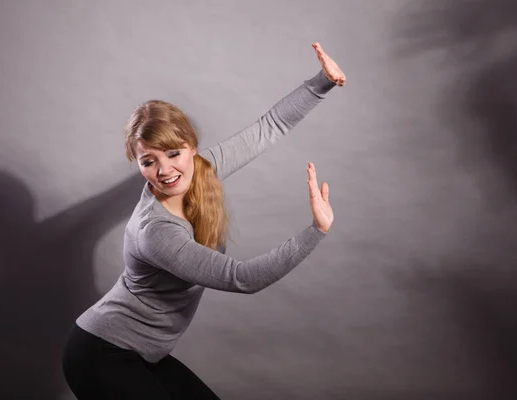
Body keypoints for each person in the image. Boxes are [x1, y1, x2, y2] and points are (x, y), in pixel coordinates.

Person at [62, 42, 346, 399]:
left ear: (192, 148)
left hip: (142, 354)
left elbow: (268, 127)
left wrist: (323, 81)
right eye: (148, 161)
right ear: (137, 163)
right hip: (101, 354)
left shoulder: (202, 171)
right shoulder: (156, 232)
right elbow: (242, 278)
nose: (164, 171)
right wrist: (316, 231)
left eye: (173, 153)